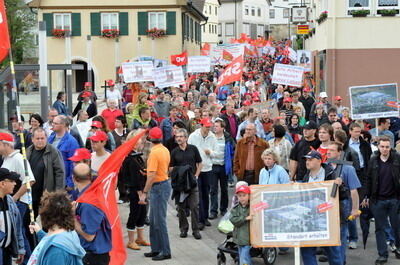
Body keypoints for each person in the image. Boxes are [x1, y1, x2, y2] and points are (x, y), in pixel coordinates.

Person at [363, 136, 400, 264]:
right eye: (382, 146)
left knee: (397, 226)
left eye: (387, 147)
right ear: (378, 147)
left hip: (394, 199)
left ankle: (398, 248)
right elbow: (368, 179)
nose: (385, 149)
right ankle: (382, 254)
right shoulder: (373, 160)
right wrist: (366, 196)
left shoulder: (397, 159)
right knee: (379, 228)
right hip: (377, 200)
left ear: (391, 147)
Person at [27, 191, 86, 265]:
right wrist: (39, 231)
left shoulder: (56, 251)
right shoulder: (68, 233)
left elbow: (54, 245)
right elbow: (51, 240)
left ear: (45, 215)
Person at [140, 127, 172, 261]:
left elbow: (152, 176)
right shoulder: (164, 150)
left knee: (159, 221)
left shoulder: (153, 153)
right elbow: (161, 168)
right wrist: (148, 171)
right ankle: (156, 249)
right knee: (154, 221)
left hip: (158, 187)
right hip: (163, 184)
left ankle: (165, 251)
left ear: (150, 138)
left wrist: (144, 192)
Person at [73, 163, 112, 265]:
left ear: (74, 178)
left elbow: (89, 236)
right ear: (90, 177)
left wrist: (72, 218)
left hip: (94, 257)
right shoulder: (90, 194)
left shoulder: (88, 203)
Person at [119, 130, 150, 250]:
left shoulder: (137, 156)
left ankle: (140, 238)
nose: (141, 141)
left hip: (141, 189)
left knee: (142, 214)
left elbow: (140, 172)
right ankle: (131, 240)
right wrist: (140, 193)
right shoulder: (130, 158)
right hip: (136, 191)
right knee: (134, 214)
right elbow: (133, 178)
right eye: (139, 140)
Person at [170, 128, 202, 239]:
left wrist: (196, 176)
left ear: (186, 138)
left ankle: (196, 230)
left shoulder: (193, 149)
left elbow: (200, 163)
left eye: (180, 136)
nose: (178, 138)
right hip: (180, 184)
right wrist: (180, 170)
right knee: (181, 208)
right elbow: (170, 168)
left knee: (194, 207)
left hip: (192, 183)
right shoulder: (174, 152)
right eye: (177, 137)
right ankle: (183, 229)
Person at [26, 128, 65, 218]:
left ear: (46, 138)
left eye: (42, 138)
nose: (40, 141)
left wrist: (58, 195)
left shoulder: (53, 151)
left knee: (46, 222)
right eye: (37, 138)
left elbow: (60, 173)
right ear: (32, 139)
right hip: (30, 194)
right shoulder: (28, 151)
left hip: (47, 194)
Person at [188, 118, 217, 229]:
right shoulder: (193, 136)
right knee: (198, 195)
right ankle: (200, 219)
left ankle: (205, 217)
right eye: (206, 127)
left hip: (208, 168)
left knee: (206, 193)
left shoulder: (212, 137)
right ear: (201, 126)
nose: (208, 129)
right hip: (196, 169)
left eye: (209, 127)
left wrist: (210, 153)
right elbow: (189, 150)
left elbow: (217, 153)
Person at [209, 119, 234, 219]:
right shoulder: (211, 138)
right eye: (214, 126)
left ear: (222, 128)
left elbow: (232, 151)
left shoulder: (227, 138)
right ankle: (213, 210)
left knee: (224, 189)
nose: (215, 128)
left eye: (217, 126)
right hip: (213, 166)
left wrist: (230, 163)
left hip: (223, 166)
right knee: (213, 189)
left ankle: (223, 209)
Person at [0, 168, 25, 265]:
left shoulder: (10, 201)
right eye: (12, 181)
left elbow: (18, 227)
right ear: (2, 184)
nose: (15, 184)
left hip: (7, 252)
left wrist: (20, 248)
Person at [48, 115, 79, 190]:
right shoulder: (50, 138)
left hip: (63, 181)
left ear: (63, 125)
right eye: (53, 122)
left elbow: (74, 163)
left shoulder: (71, 142)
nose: (53, 125)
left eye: (55, 123)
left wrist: (70, 183)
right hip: (50, 179)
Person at [230, 185, 253, 265]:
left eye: (244, 195)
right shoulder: (235, 209)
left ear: (249, 196)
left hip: (247, 239)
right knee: (243, 257)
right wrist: (245, 218)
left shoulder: (252, 208)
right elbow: (233, 219)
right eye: (240, 196)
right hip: (239, 238)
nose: (242, 198)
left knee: (244, 258)